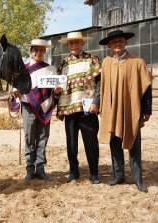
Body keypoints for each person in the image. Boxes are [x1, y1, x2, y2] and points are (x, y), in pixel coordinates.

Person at [98, 30, 152, 192]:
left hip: (131, 109)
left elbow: (146, 88)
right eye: (113, 42)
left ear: (126, 42)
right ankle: (119, 175)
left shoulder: (137, 62)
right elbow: (101, 86)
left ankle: (137, 179)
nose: (117, 44)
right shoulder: (106, 63)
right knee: (114, 142)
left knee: (134, 142)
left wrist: (147, 110)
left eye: (120, 41)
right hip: (112, 109)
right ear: (109, 45)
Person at [56, 32, 101, 184]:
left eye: (77, 43)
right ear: (67, 45)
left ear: (82, 43)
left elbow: (100, 82)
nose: (74, 46)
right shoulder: (63, 63)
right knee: (71, 143)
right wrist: (56, 91)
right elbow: (57, 86)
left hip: (87, 108)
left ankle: (94, 173)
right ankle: (74, 172)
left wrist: (97, 101)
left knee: (91, 142)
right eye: (71, 43)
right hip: (69, 108)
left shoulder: (92, 59)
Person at [19, 39, 63, 182]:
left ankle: (41, 168)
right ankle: (30, 169)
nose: (38, 53)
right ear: (31, 52)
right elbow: (18, 88)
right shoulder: (24, 69)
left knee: (43, 138)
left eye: (41, 50)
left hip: (45, 108)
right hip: (28, 106)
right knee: (29, 138)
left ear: (45, 51)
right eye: (35, 50)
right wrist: (15, 92)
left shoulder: (51, 69)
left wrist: (57, 92)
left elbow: (56, 91)